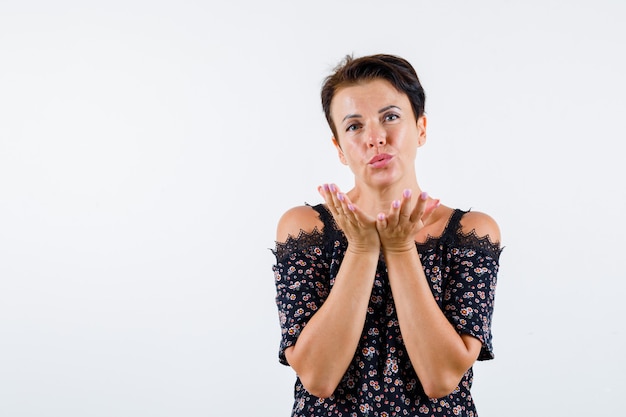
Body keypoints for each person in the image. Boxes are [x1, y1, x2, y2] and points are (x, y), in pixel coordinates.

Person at [272, 53, 502, 417]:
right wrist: (362, 249)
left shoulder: (471, 232)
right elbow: (318, 377)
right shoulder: (306, 228)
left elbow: (441, 379)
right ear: (339, 150)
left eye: (390, 117)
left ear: (421, 128)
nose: (375, 138)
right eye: (354, 126)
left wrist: (399, 246)